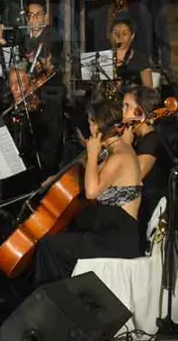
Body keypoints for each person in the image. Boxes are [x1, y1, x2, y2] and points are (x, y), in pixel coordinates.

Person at [34, 99, 143, 284]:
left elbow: (92, 191)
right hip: (107, 232)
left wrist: (92, 155)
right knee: (55, 242)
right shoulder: (113, 150)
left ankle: (56, 303)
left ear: (100, 125)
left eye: (91, 121)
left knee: (50, 247)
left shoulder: (121, 155)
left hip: (117, 238)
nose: (89, 126)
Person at [120, 85, 171, 243]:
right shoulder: (139, 138)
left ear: (141, 112)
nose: (122, 110)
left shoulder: (152, 140)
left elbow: (133, 178)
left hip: (149, 211)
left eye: (127, 106)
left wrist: (125, 147)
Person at [110, 18, 152, 87]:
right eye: (116, 33)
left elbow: (148, 90)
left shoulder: (141, 59)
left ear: (132, 36)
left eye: (124, 33)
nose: (120, 37)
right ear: (111, 35)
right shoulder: (102, 57)